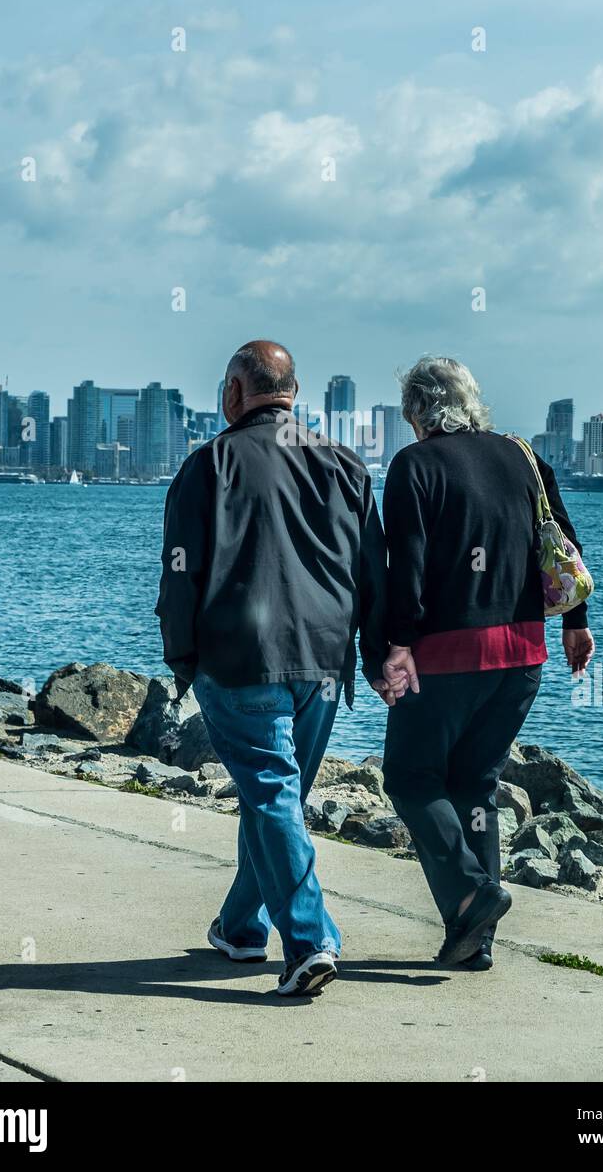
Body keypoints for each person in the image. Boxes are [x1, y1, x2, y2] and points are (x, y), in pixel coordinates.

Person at [155, 340, 387, 997]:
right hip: (323, 660)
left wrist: (180, 659)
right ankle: (240, 928)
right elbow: (372, 573)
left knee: (272, 795)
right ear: (294, 393)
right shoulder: (344, 464)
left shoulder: (210, 464)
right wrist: (371, 656)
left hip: (240, 657)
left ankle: (310, 942)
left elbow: (180, 574)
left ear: (233, 391)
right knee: (275, 797)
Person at [379, 356, 594, 970]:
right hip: (524, 654)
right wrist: (577, 626)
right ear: (471, 403)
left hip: (447, 655)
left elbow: (408, 571)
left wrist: (396, 646)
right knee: (474, 784)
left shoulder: (414, 466)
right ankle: (476, 941)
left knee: (411, 777)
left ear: (418, 411)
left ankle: (473, 895)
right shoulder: (521, 456)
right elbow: (563, 542)